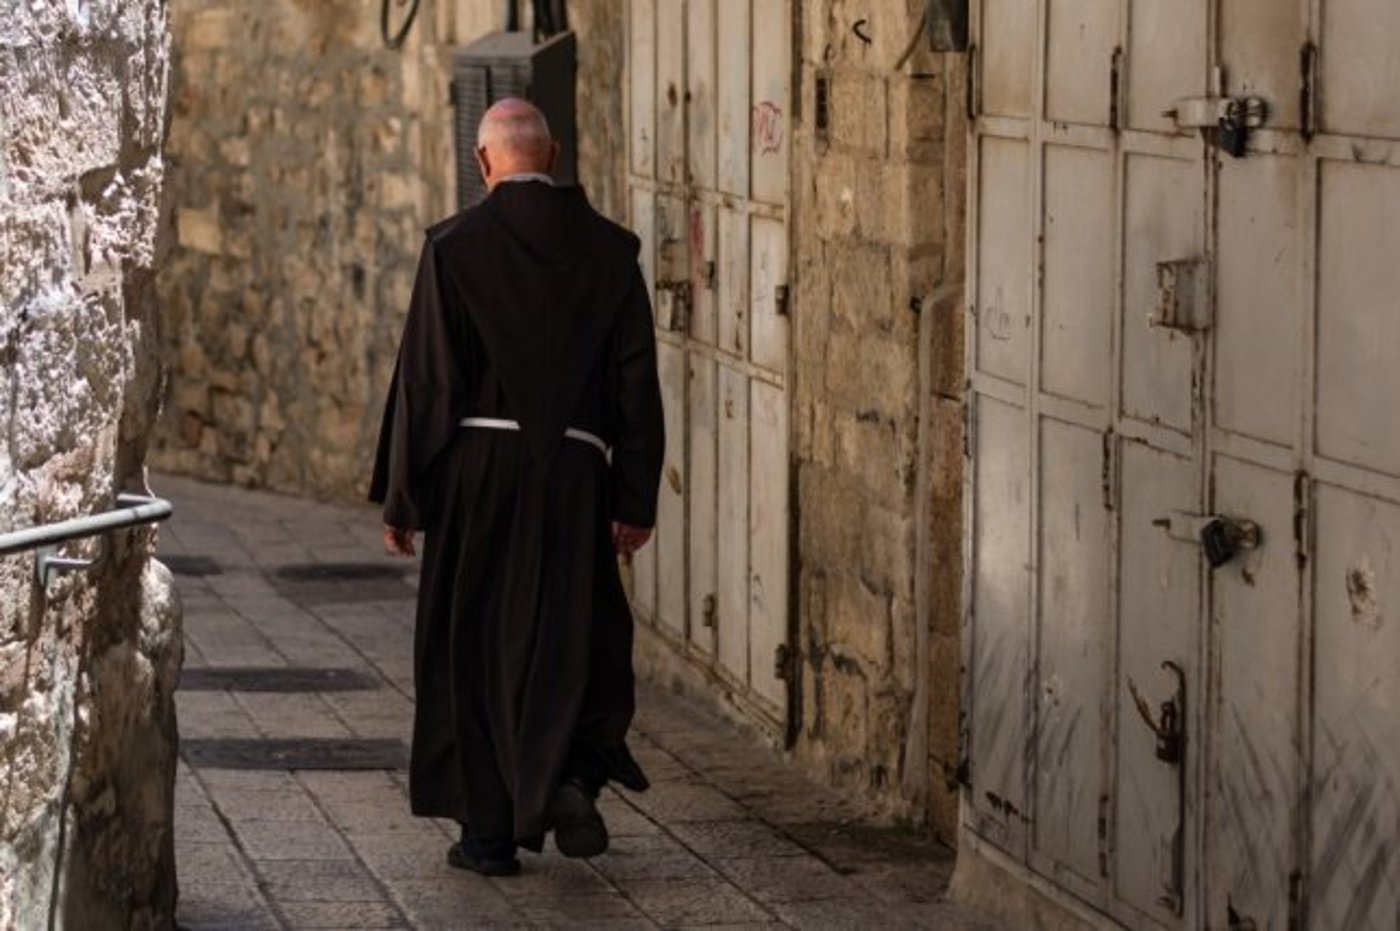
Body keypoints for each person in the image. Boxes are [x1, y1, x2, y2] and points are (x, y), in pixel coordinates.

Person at [369, 97, 665, 876]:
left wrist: (405, 497)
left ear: (482, 161)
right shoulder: (612, 252)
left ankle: (489, 835)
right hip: (576, 477)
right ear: (554, 154)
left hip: (478, 478)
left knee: (473, 646)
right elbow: (636, 383)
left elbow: (428, 383)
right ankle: (570, 777)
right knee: (573, 633)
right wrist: (634, 497)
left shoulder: (453, 247)